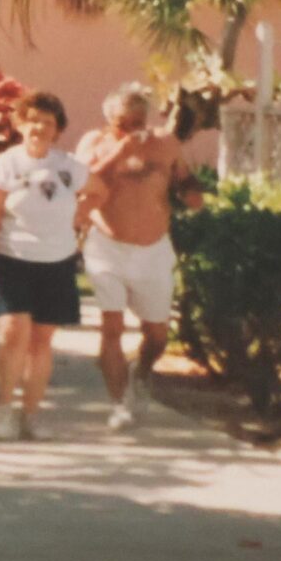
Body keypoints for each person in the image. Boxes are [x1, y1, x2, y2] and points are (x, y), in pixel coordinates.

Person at [0, 90, 102, 440]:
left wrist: (80, 213)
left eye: (47, 122)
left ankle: (31, 416)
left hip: (57, 263)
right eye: (32, 121)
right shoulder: (4, 166)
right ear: (20, 124)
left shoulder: (68, 166)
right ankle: (2, 410)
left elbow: (101, 191)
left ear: (57, 130)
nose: (38, 128)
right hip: (14, 261)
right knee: (15, 335)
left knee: (42, 342)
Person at [76, 82, 203, 430]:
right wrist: (120, 151)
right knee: (112, 328)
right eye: (125, 123)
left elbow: (184, 181)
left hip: (153, 250)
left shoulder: (165, 144)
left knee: (158, 334)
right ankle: (119, 404)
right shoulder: (93, 144)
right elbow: (83, 182)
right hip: (107, 248)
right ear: (110, 122)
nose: (134, 130)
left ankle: (142, 371)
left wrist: (193, 194)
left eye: (139, 122)